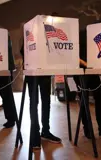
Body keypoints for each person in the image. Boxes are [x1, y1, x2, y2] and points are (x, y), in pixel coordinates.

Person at [20, 16, 62, 148]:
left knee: (46, 101)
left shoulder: (51, 35)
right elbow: (23, 50)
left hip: (45, 72)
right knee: (34, 102)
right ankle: (35, 134)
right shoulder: (33, 30)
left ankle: (46, 131)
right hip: (33, 73)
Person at [73, 26, 101, 140]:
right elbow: (73, 55)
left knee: (100, 97)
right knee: (84, 100)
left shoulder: (95, 35)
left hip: (92, 70)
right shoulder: (80, 35)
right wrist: (86, 64)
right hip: (80, 71)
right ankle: (87, 129)